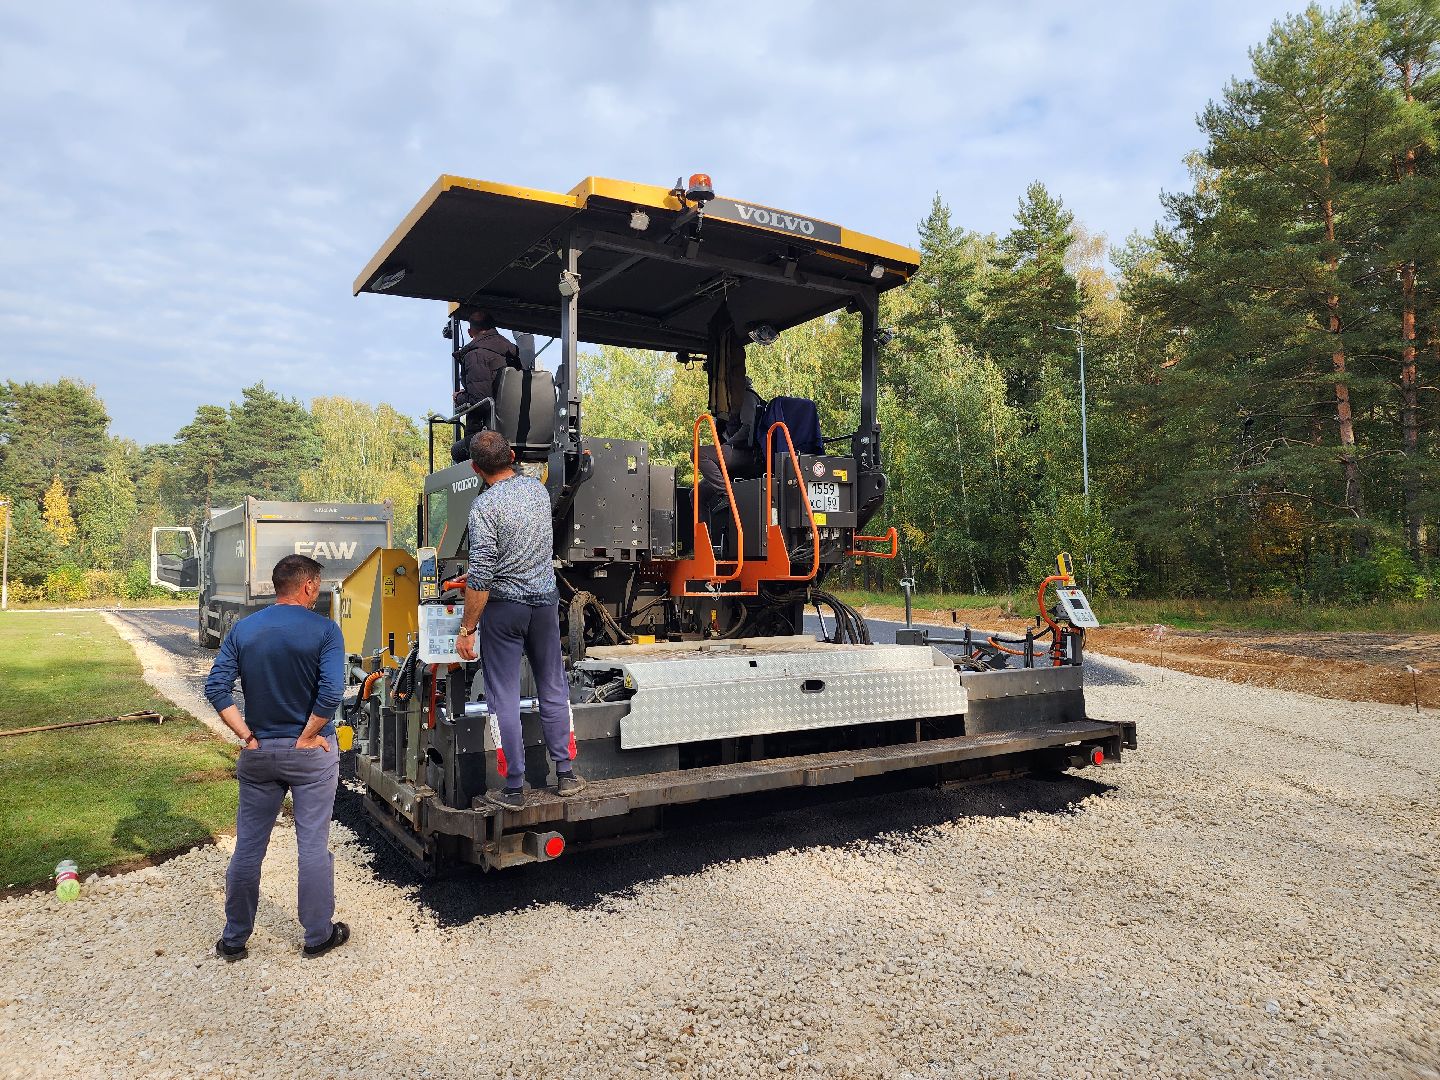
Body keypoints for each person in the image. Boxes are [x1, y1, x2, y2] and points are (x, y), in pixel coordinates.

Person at [205, 554, 348, 962]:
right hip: (310, 755)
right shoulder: (325, 630)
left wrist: (247, 736)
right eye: (317, 585)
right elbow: (331, 693)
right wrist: (307, 736)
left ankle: (234, 939)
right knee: (313, 846)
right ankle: (318, 936)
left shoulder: (245, 629)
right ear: (306, 586)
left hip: (259, 754)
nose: (318, 592)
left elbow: (216, 689)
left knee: (248, 848)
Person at [455, 430, 583, 809]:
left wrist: (467, 629)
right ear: (511, 455)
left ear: (476, 468)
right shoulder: (538, 492)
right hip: (544, 606)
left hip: (504, 611)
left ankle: (514, 787)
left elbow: (480, 577)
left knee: (504, 697)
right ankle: (565, 775)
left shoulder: (483, 508)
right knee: (553, 689)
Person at [454, 310, 520, 416]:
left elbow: (481, 402)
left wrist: (459, 397)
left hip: (486, 428)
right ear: (493, 328)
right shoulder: (512, 354)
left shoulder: (475, 356)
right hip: (515, 421)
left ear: (470, 332)